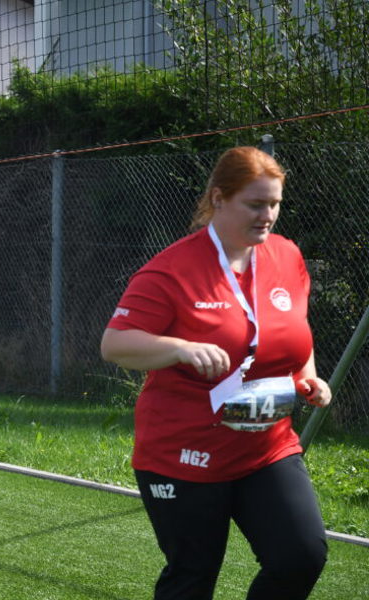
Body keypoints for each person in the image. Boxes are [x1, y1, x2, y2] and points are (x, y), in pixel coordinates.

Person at [101, 146, 331, 600]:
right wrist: (180, 348)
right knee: (193, 576)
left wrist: (308, 376)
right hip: (184, 453)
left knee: (301, 555)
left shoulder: (287, 256)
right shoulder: (171, 270)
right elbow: (114, 344)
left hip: (266, 447)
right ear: (219, 198)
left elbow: (292, 335)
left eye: (275, 203)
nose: (267, 215)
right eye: (255, 204)